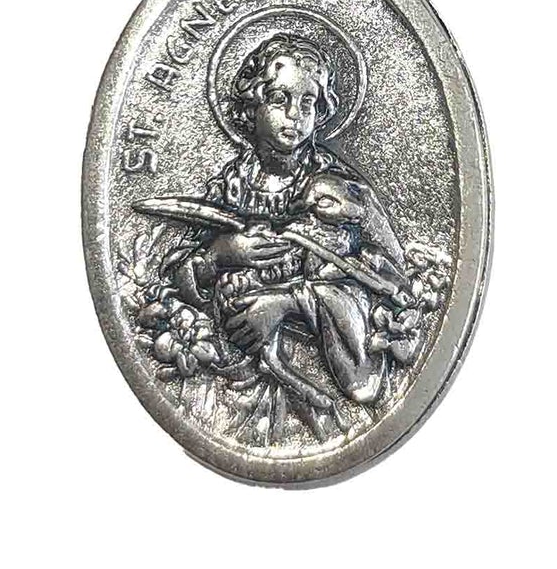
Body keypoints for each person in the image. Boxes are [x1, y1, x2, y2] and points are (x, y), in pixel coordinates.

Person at [167, 33, 409, 418]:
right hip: (232, 371)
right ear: (253, 104)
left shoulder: (340, 191)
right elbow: (176, 271)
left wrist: (286, 303)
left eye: (308, 102)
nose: (295, 114)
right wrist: (219, 254)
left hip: (320, 374)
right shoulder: (230, 186)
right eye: (280, 99)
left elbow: (388, 275)